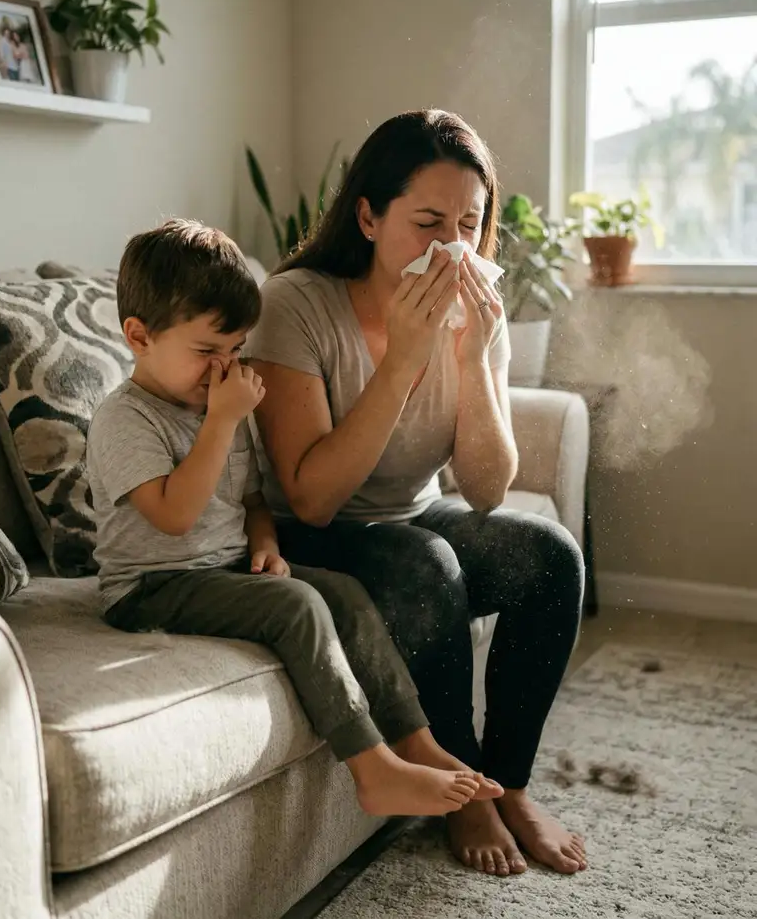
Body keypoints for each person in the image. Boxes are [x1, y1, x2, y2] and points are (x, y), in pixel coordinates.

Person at [246, 110, 588, 877]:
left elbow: (490, 488)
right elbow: (313, 500)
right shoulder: (296, 304)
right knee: (424, 561)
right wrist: (403, 359)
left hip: (412, 512)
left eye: (469, 224)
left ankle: (512, 783)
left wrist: (470, 358)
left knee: (551, 557)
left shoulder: (477, 306)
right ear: (367, 215)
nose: (452, 248)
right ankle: (462, 789)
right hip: (306, 530)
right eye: (428, 222)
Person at [87, 217, 504, 820]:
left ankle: (417, 742)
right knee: (298, 606)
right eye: (206, 351)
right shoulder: (127, 419)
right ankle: (373, 770)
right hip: (151, 587)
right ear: (138, 335)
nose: (222, 369)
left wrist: (266, 544)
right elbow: (175, 515)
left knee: (341, 592)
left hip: (223, 570)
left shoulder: (219, 400)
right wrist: (224, 421)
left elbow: (252, 499)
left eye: (233, 351)